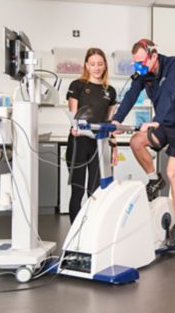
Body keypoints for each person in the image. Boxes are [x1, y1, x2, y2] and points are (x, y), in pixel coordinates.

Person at [112, 39, 175, 246]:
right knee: (135, 142)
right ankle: (153, 179)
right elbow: (131, 95)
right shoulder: (144, 74)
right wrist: (117, 120)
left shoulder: (174, 65)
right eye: (136, 64)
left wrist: (155, 121)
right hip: (164, 127)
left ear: (154, 55)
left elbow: (168, 93)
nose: (139, 67)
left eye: (142, 62)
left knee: (173, 173)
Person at [66, 47, 117, 223]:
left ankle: (91, 231)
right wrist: (76, 127)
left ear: (105, 66)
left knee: (96, 192)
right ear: (86, 65)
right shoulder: (77, 86)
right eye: (93, 64)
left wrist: (114, 147)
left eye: (100, 64)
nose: (96, 67)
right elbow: (74, 116)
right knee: (77, 190)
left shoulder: (110, 91)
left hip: (100, 144)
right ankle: (74, 232)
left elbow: (110, 123)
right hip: (78, 143)